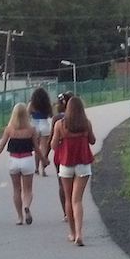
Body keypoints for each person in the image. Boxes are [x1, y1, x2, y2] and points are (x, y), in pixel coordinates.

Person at [0, 103, 47, 226]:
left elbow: (1, 146)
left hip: (14, 160)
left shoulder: (9, 129)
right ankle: (27, 206)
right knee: (28, 190)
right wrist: (43, 160)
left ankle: (20, 217)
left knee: (16, 190)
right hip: (27, 160)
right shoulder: (31, 130)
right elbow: (37, 148)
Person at [50, 96, 96, 246]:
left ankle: (72, 233)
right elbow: (92, 141)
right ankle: (80, 234)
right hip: (83, 163)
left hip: (66, 164)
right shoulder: (86, 123)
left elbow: (53, 146)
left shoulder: (60, 124)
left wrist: (61, 140)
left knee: (69, 199)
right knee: (77, 200)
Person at [49, 91, 74, 221]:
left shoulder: (57, 119)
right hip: (76, 153)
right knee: (75, 184)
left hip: (60, 154)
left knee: (62, 184)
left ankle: (66, 212)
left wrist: (45, 156)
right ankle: (75, 208)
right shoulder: (79, 117)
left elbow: (51, 139)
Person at [27, 87, 54, 176]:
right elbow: (51, 115)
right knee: (44, 148)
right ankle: (43, 170)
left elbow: (27, 114)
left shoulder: (32, 104)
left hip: (35, 125)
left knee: (36, 148)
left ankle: (36, 168)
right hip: (44, 124)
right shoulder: (47, 104)